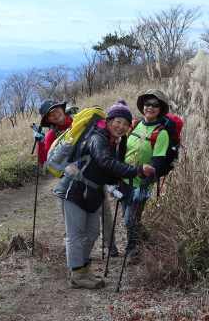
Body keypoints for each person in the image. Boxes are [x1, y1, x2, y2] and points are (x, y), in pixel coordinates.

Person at [53, 99, 154, 289]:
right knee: (75, 234)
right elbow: (105, 162)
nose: (122, 126)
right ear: (109, 120)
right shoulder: (97, 138)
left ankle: (79, 268)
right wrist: (135, 170)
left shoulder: (112, 142)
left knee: (92, 232)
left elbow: (107, 170)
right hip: (74, 189)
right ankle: (76, 274)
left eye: (126, 124)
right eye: (118, 121)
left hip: (91, 193)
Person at [34, 99, 118, 256]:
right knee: (71, 211)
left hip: (94, 172)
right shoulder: (52, 134)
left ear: (61, 109)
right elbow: (44, 160)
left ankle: (110, 243)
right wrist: (40, 143)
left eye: (56, 109)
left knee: (104, 207)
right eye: (50, 115)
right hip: (70, 177)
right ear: (48, 120)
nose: (55, 114)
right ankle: (71, 241)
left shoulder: (81, 120)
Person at [120, 89, 174, 264]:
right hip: (124, 179)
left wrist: (146, 183)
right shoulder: (134, 125)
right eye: (147, 104)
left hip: (141, 182)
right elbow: (123, 149)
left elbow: (157, 160)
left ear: (160, 109)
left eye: (155, 105)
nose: (150, 107)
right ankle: (147, 242)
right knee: (128, 218)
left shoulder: (161, 132)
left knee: (130, 220)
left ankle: (132, 252)